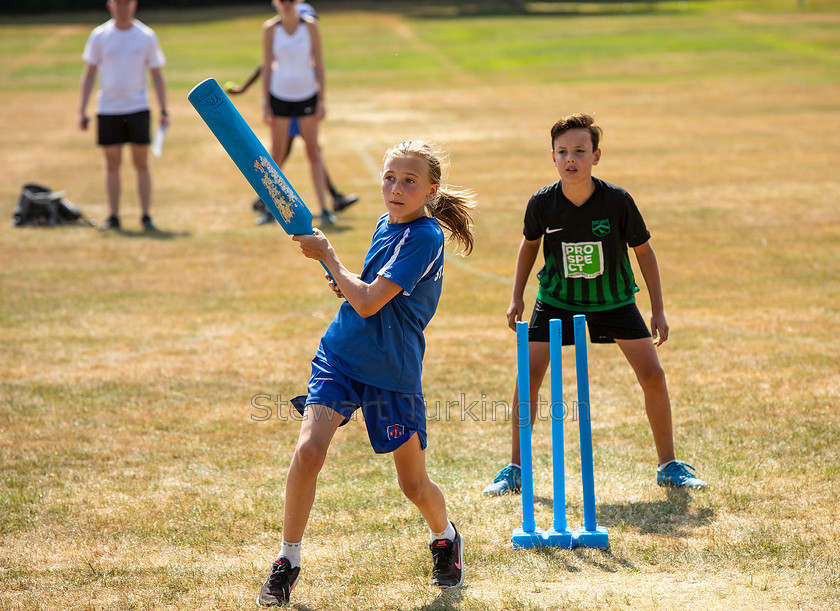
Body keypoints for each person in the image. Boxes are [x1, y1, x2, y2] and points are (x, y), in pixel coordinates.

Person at [256, 141, 476, 606]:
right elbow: (366, 293)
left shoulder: (425, 237)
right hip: (340, 355)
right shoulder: (385, 223)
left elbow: (372, 300)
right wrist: (344, 281)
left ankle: (445, 536)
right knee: (309, 451)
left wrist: (330, 257)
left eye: (409, 181)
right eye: (390, 178)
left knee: (412, 485)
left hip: (392, 372)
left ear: (431, 190)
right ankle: (287, 560)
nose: (396, 188)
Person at [483, 113, 706, 496]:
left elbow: (644, 252)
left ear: (596, 156)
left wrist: (658, 309)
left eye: (580, 151)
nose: (571, 159)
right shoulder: (542, 203)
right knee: (529, 375)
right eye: (563, 152)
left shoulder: (617, 201)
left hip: (614, 300)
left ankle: (668, 465)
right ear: (552, 157)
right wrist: (517, 294)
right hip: (556, 300)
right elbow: (530, 245)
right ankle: (515, 469)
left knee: (653, 375)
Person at [78, 0, 168, 232]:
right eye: (118, 3)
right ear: (110, 5)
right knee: (112, 163)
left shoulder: (146, 36)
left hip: (138, 107)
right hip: (108, 108)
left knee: (141, 162)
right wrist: (82, 108)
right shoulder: (100, 36)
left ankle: (146, 215)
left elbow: (156, 74)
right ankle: (114, 215)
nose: (122, 7)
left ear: (134, 5)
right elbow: (89, 73)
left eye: (126, 3)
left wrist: (164, 108)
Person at [261, 0, 334, 226]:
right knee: (277, 154)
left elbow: (319, 64)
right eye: (282, 1)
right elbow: (266, 66)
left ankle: (324, 209)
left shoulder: (310, 26)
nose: (286, 4)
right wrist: (265, 103)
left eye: (290, 1)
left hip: (307, 95)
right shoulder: (270, 29)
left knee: (313, 152)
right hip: (279, 96)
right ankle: (268, 208)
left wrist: (322, 100)